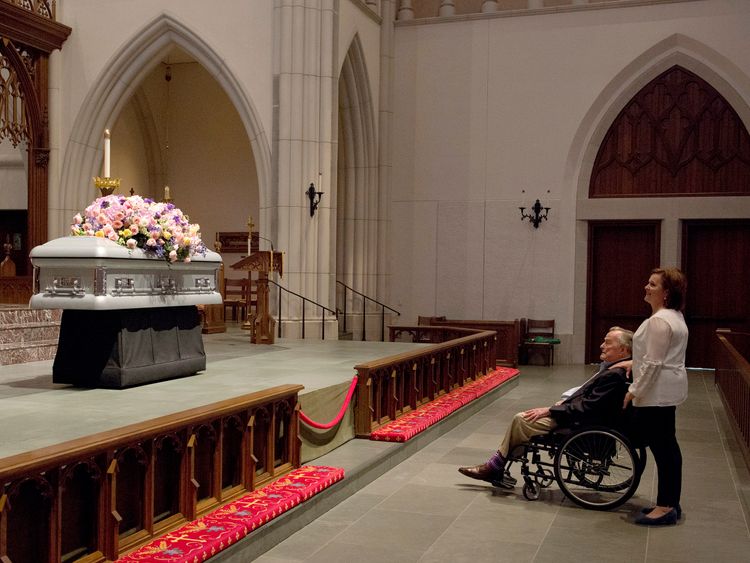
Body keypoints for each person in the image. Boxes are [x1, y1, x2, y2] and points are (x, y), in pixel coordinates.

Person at [458, 327, 633, 485]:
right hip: (581, 416)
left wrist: (551, 410)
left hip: (580, 423)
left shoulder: (614, 375)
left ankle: (494, 466)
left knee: (521, 419)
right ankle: (497, 465)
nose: (602, 345)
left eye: (607, 343)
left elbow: (588, 407)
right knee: (525, 420)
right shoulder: (615, 369)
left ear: (623, 350)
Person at [624, 267, 688, 526]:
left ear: (666, 293)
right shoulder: (675, 316)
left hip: (656, 392)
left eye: (652, 284)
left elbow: (653, 363)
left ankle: (665, 507)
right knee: (668, 448)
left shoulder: (659, 320)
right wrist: (632, 362)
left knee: (664, 450)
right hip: (667, 390)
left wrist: (633, 390)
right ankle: (671, 501)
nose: (646, 287)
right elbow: (655, 357)